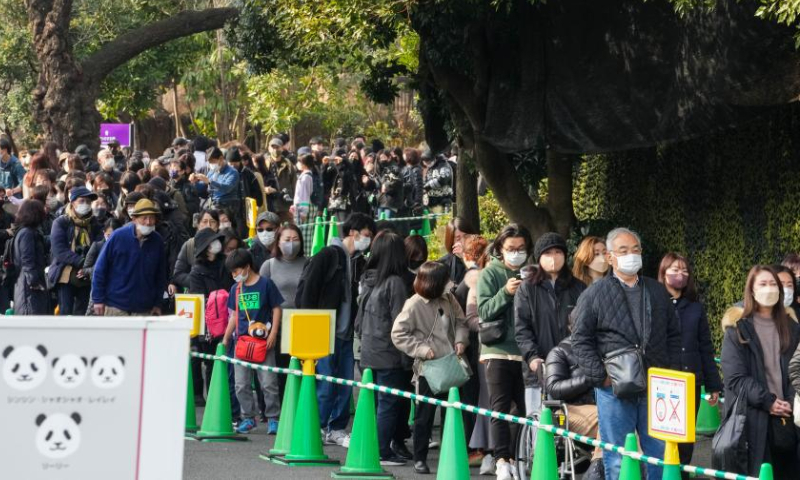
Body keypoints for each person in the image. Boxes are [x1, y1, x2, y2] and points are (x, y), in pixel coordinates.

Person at [571, 227, 681, 480]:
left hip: (657, 386)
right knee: (617, 456)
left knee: (659, 454)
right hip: (614, 389)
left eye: (635, 250)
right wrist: (601, 376)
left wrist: (670, 372)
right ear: (610, 257)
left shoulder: (656, 290)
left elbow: (674, 335)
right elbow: (580, 340)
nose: (631, 255)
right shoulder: (595, 293)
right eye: (623, 250)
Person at [295, 212, 376, 447]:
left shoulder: (358, 262)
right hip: (323, 331)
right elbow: (308, 292)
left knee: (344, 383)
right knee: (325, 382)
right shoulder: (328, 255)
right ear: (353, 232)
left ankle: (337, 428)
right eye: (366, 235)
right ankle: (317, 426)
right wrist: (311, 327)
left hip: (346, 334)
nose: (367, 241)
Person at [391, 261, 470, 475]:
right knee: (424, 415)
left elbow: (462, 322)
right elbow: (398, 334)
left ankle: (450, 453)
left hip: (452, 362)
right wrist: (422, 350)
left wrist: (461, 340)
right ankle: (420, 458)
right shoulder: (414, 304)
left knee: (451, 412)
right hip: (429, 367)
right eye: (446, 280)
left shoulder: (449, 298)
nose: (451, 283)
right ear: (434, 282)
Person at [723, 265, 800, 477]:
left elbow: (797, 371)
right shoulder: (737, 329)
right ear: (752, 290)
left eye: (773, 284)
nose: (769, 289)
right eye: (763, 284)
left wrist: (791, 402)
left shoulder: (793, 329)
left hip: (789, 419)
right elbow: (735, 378)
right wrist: (769, 401)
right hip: (752, 420)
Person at [657, 252, 722, 475]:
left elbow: (705, 347)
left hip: (689, 382)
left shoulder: (695, 307)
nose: (680, 274)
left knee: (685, 437)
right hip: (661, 382)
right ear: (663, 273)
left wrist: (713, 385)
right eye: (675, 270)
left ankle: (682, 474)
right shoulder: (654, 302)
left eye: (684, 270)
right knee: (660, 437)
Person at [477, 223, 532, 480]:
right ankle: (501, 460)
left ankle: (517, 455)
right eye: (511, 248)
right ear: (500, 248)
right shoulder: (491, 273)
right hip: (497, 349)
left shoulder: (532, 274)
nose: (516, 253)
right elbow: (484, 311)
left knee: (522, 408)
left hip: (525, 350)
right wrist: (505, 293)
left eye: (521, 248)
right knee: (499, 407)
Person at [355, 231, 412, 466]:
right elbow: (401, 322)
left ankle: (372, 447)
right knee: (388, 404)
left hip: (368, 352)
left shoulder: (368, 281)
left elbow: (358, 322)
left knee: (376, 403)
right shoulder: (395, 283)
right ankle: (381, 451)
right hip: (389, 353)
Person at [515, 232, 587, 415]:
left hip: (572, 368)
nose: (553, 258)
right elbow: (522, 328)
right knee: (539, 421)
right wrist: (532, 357)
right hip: (540, 368)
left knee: (571, 420)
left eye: (557, 252)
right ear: (539, 258)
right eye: (547, 253)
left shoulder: (579, 288)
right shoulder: (527, 289)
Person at [221, 249, 283, 435]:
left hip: (263, 342)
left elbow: (276, 309)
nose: (234, 275)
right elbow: (233, 316)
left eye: (236, 271)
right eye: (232, 272)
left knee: (268, 382)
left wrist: (273, 333)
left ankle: (273, 418)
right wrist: (225, 338)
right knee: (241, 383)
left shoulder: (266, 284)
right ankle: (248, 418)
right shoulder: (236, 289)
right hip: (241, 343)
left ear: (247, 267)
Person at [91, 199, 167, 316]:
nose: (148, 222)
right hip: (115, 306)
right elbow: (100, 269)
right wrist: (98, 299)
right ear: (134, 219)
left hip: (144, 309)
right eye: (144, 218)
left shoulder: (157, 242)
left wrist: (157, 303)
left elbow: (160, 276)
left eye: (151, 218)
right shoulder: (118, 236)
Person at [545, 335, 604, 480]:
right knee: (608, 415)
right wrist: (588, 379)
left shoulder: (603, 349)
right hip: (569, 410)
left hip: (599, 406)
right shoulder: (559, 352)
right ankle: (597, 467)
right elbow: (553, 388)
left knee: (622, 415)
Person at [259, 223, 307, 396]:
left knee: (303, 372)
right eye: (287, 239)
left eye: (295, 239)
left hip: (303, 327)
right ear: (278, 242)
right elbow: (261, 298)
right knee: (281, 371)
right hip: (278, 328)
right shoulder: (269, 265)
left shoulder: (309, 263)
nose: (291, 243)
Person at [48, 186, 102, 316]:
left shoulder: (94, 223)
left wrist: (88, 268)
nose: (86, 204)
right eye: (82, 201)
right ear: (72, 202)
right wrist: (82, 262)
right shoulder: (61, 222)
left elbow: (101, 247)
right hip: (65, 275)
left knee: (82, 314)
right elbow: (59, 251)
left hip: (86, 277)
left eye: (88, 202)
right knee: (65, 313)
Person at [170, 209, 220, 295]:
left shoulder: (221, 244)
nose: (208, 225)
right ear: (198, 224)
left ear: (218, 225)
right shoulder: (189, 245)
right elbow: (178, 274)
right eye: (204, 221)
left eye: (212, 222)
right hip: (196, 295)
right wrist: (197, 280)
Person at [12, 199, 48, 315]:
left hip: (24, 284)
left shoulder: (24, 232)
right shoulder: (27, 233)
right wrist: (34, 282)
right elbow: (27, 260)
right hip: (29, 288)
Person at [438, 217, 479, 289]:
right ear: (451, 241)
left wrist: (465, 257)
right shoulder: (442, 265)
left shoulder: (482, 256)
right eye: (458, 238)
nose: (463, 242)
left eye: (466, 236)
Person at [266, 137, 297, 224]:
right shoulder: (264, 164)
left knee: (289, 230)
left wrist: (294, 201)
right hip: (270, 204)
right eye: (273, 147)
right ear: (269, 148)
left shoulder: (288, 164)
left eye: (277, 147)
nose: (275, 150)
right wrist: (265, 189)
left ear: (282, 148)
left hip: (285, 205)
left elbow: (294, 184)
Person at [376, 150, 404, 219]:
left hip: (391, 202)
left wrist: (385, 185)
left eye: (383, 157)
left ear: (389, 158)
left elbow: (393, 182)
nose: (381, 160)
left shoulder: (394, 168)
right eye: (380, 158)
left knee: (388, 225)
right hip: (383, 201)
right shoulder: (384, 169)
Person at [291, 153, 315, 225]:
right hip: (300, 208)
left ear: (304, 164)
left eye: (299, 162)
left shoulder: (305, 177)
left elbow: (305, 195)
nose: (297, 164)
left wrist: (303, 212)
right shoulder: (306, 176)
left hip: (301, 209)